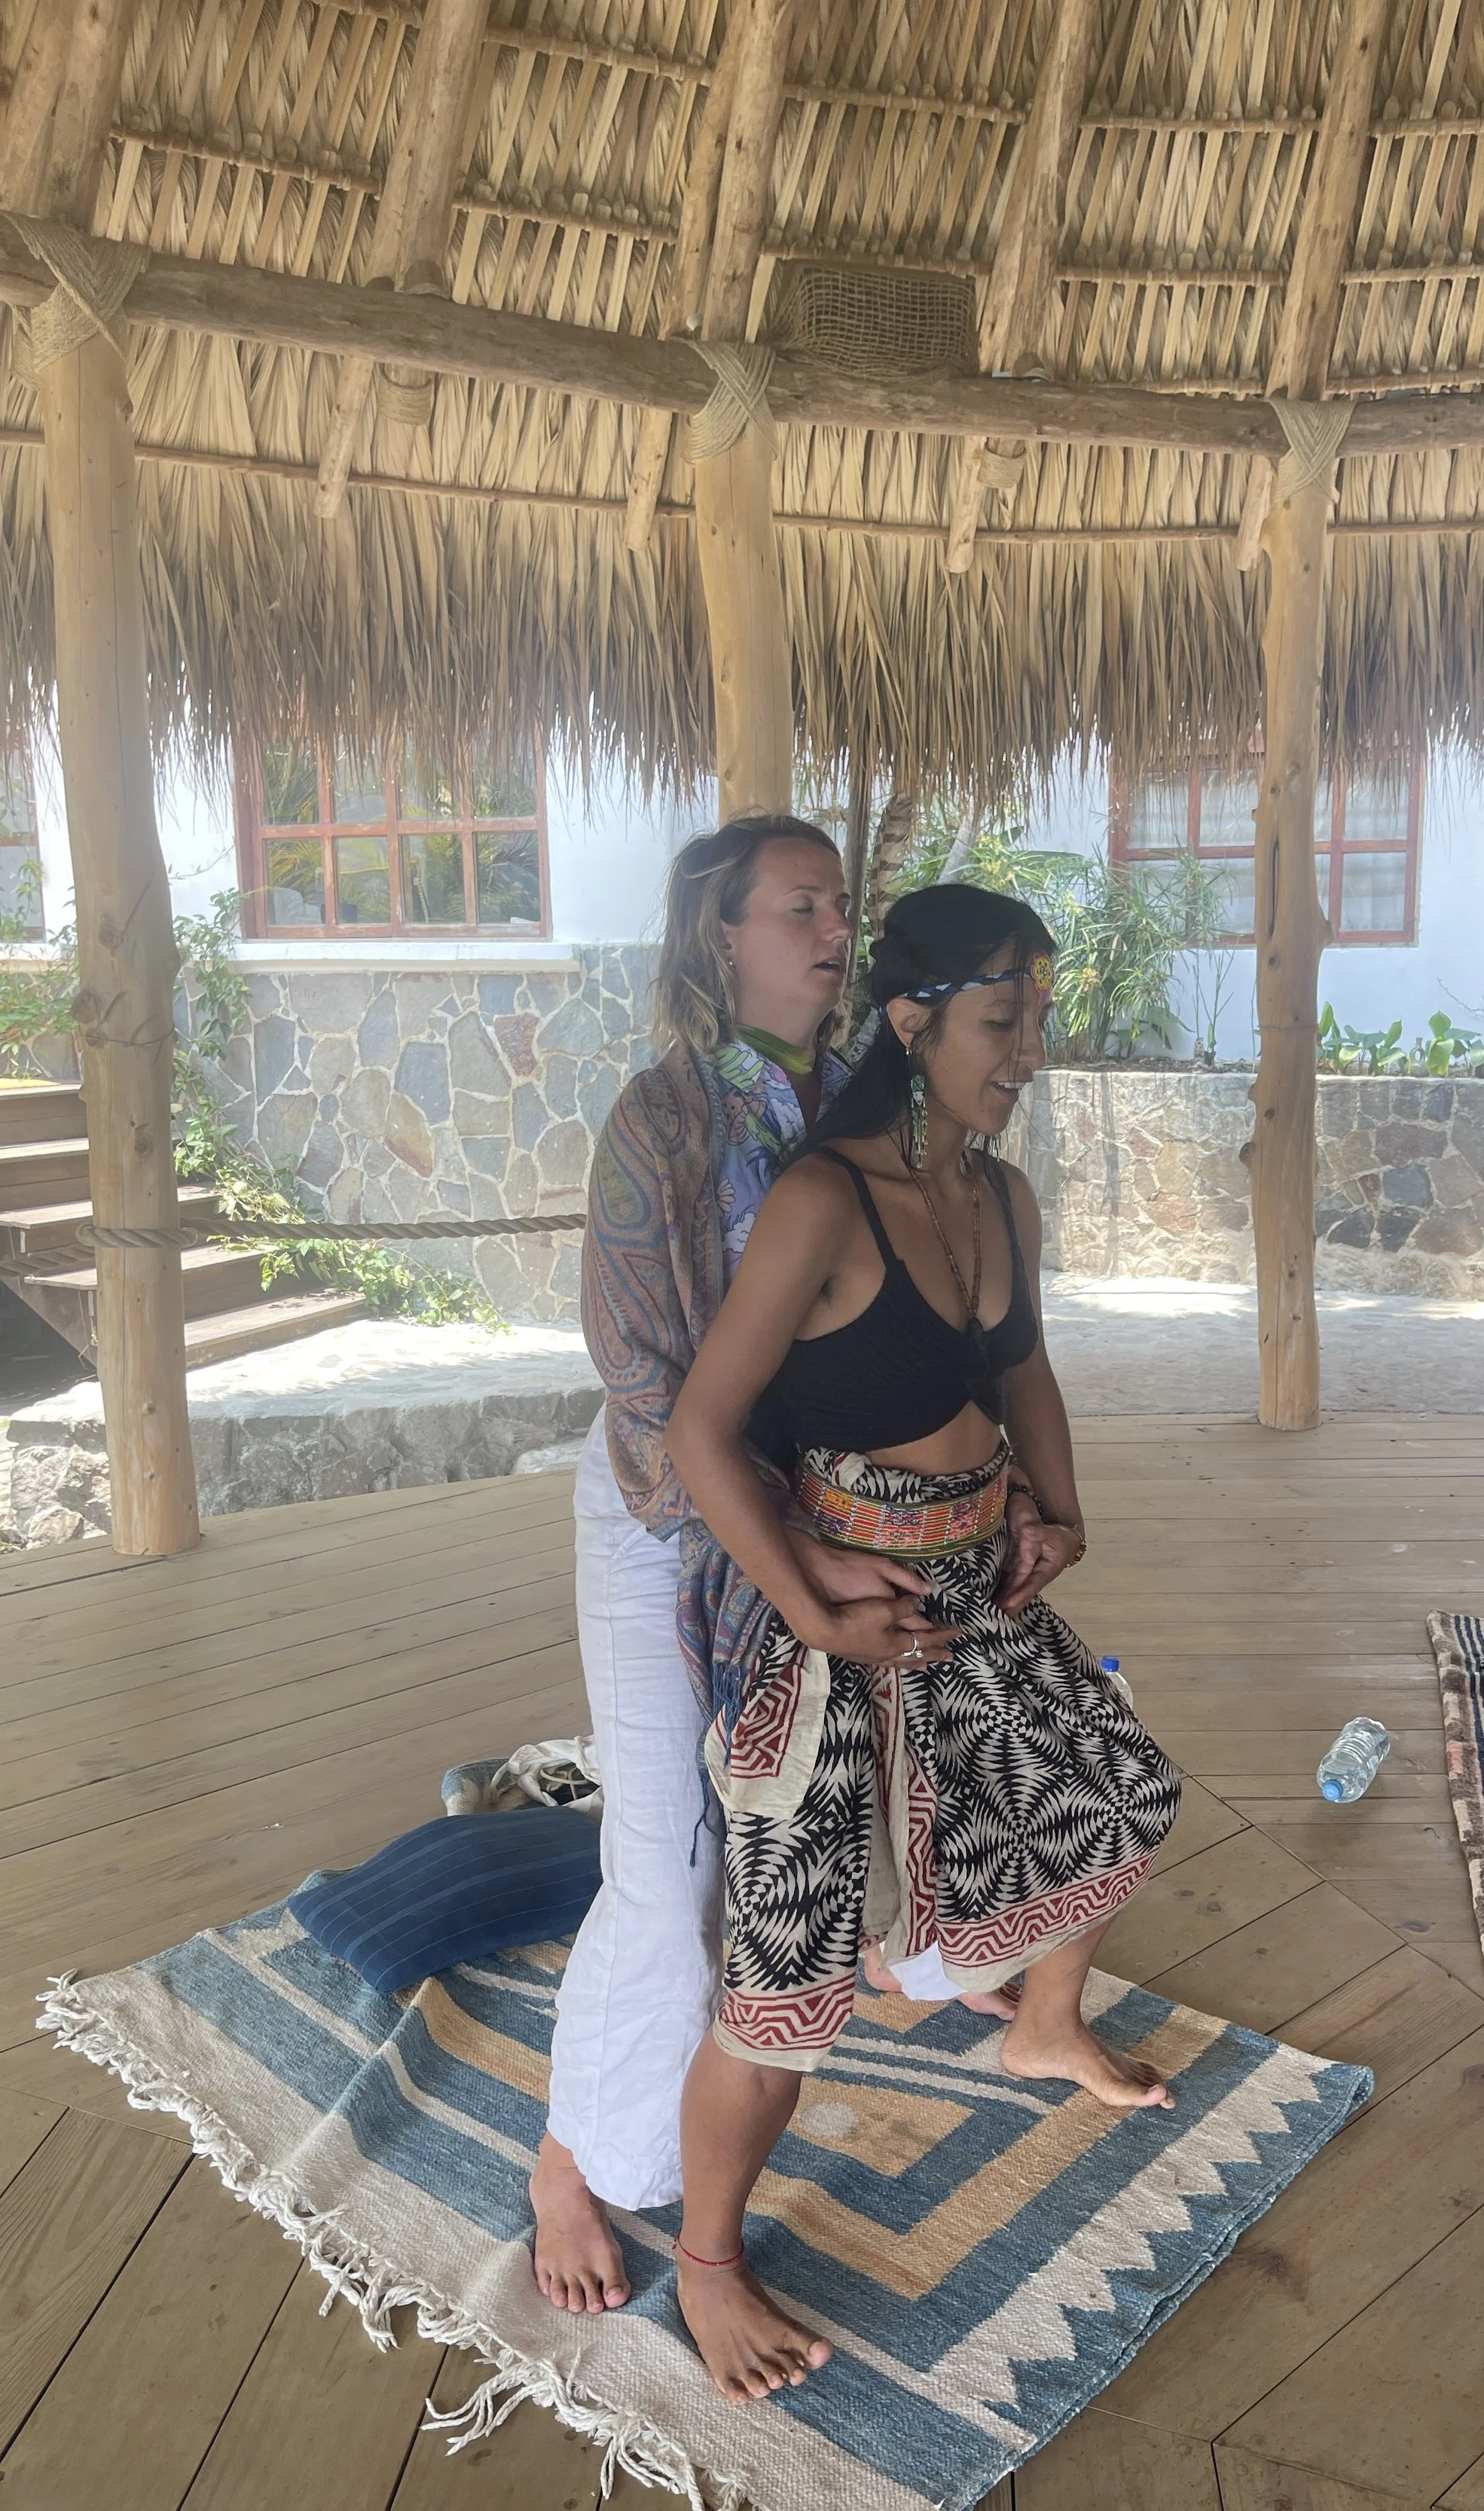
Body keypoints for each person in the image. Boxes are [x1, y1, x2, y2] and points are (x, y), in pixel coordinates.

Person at [662, 883, 1183, 2405]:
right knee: (782, 1986)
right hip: (850, 1626)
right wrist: (811, 1602)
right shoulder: (825, 1201)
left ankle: (1041, 2024)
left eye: (1035, 1015)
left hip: (981, 1590)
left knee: (1111, 1792)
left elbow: (1025, 1371)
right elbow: (700, 1430)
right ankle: (705, 2257)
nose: (1027, 1046)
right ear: (912, 1021)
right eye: (999, 1018)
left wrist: (1061, 1507)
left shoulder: (999, 1196)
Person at [528, 818, 1015, 2318]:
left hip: (817, 1517)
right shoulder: (662, 1122)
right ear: (715, 937)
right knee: (665, 1853)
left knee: (846, 1774)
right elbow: (642, 1387)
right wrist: (790, 1546)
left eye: (838, 907)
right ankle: (574, 2159)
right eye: (796, 905)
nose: (829, 928)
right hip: (665, 1518)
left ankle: (901, 1950)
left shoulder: (860, 1106)